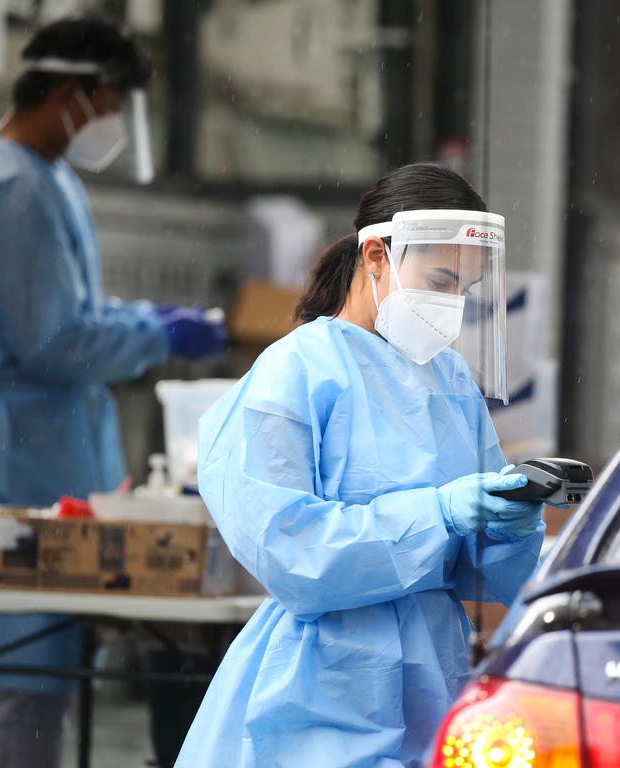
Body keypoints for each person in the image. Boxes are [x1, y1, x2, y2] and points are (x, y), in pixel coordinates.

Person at [0, 14, 225, 768]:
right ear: (69, 95)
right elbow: (50, 342)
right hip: (1, 456)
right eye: (110, 105)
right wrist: (156, 336)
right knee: (0, 662)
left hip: (33, 451)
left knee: (36, 668)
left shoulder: (42, 177)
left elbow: (70, 317)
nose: (113, 125)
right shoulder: (11, 188)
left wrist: (143, 320)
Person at [176, 163, 547, 768]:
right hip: (325, 684)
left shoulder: (450, 379)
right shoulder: (295, 370)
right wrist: (440, 512)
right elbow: (291, 553)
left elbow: (479, 573)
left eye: (464, 289)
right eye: (441, 280)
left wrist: (509, 523)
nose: (451, 304)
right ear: (376, 254)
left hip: (432, 675)